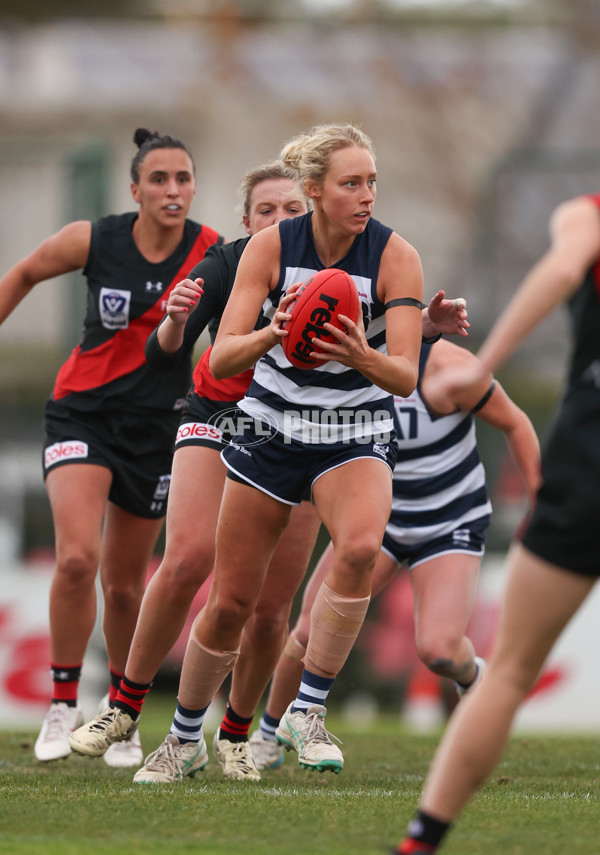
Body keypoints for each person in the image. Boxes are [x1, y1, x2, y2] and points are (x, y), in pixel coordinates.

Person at [68, 156, 469, 783]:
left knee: (272, 604)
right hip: (230, 414)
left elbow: (384, 354)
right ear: (248, 219)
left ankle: (243, 732)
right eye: (268, 210)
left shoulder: (383, 255)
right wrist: (177, 319)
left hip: (330, 428)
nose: (282, 220)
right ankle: (128, 706)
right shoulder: (240, 258)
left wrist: (414, 332)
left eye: (290, 209)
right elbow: (179, 353)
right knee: (191, 565)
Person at [0, 128, 224, 766]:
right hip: (83, 414)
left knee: (127, 586)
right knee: (76, 558)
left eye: (182, 179)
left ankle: (118, 719)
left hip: (158, 432)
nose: (172, 190)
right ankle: (62, 703)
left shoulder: (213, 252)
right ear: (135, 189)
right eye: (159, 179)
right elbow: (23, 272)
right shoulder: (95, 239)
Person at [393, 192, 600, 854]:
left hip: (589, 454)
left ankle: (421, 840)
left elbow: (564, 271)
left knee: (508, 671)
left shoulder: (585, 213)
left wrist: (487, 361)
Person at [249, 337, 540, 770]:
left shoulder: (447, 370)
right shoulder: (345, 360)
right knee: (308, 629)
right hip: (378, 517)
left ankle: (473, 675)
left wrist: (539, 500)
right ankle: (269, 735)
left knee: (439, 650)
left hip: (449, 521)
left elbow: (516, 423)